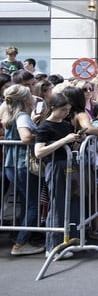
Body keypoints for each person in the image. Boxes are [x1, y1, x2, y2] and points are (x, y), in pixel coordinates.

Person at [34, 93, 86, 259]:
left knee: (71, 204)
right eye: (63, 110)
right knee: (57, 206)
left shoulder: (65, 124)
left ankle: (67, 242)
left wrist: (78, 139)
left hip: (69, 166)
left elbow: (70, 145)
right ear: (53, 108)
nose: (66, 113)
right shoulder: (44, 127)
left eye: (68, 110)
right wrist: (64, 140)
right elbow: (39, 152)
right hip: (55, 167)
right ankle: (53, 246)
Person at [0, 85, 45, 255]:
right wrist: (43, 136)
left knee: (28, 203)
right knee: (32, 204)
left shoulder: (9, 114)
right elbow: (26, 137)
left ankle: (21, 239)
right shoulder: (22, 116)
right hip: (23, 165)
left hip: (13, 165)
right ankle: (20, 243)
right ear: (26, 99)